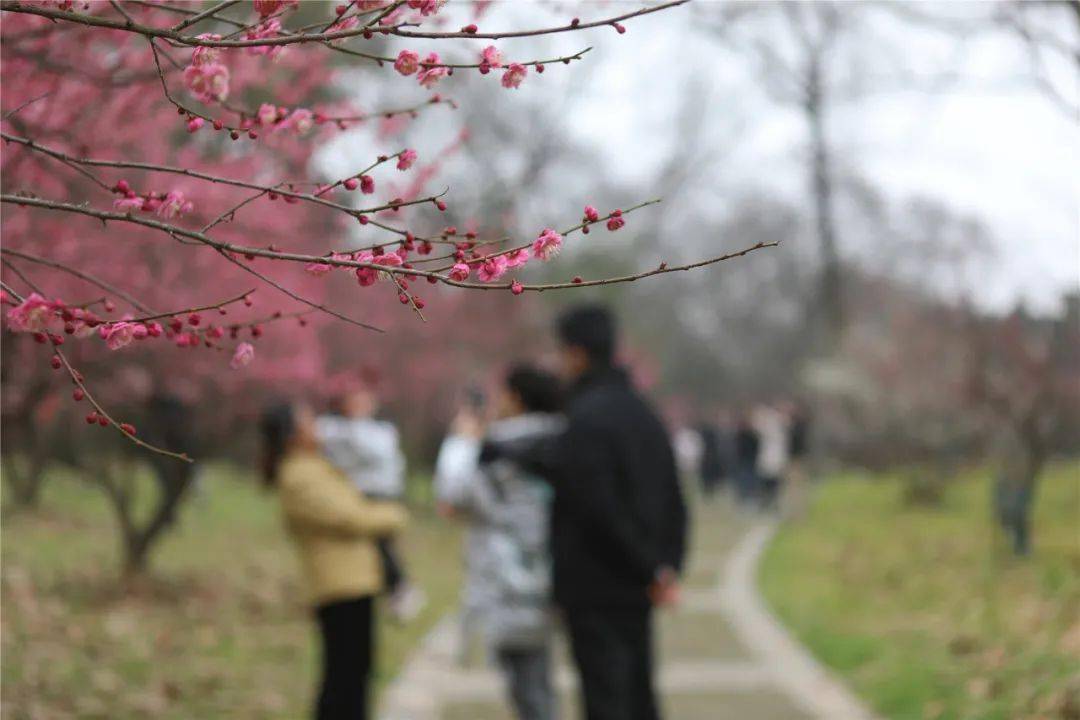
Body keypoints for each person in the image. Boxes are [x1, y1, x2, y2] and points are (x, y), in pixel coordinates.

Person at [493, 305, 687, 720]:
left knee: (606, 698)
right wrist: (665, 565)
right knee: (638, 693)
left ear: (577, 354)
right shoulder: (642, 411)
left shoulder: (585, 417)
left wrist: (648, 566)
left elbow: (596, 506)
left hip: (597, 583)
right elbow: (673, 495)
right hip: (637, 584)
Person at [260, 402, 407, 720]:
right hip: (339, 585)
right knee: (345, 677)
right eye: (308, 421)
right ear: (293, 435)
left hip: (352, 582)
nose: (318, 426)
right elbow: (351, 517)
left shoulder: (313, 466)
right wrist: (394, 515)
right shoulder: (299, 474)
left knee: (353, 674)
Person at [440, 365, 565, 720]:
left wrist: (462, 440)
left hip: (508, 570)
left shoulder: (500, 445)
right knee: (540, 671)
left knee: (523, 676)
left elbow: (456, 493)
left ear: (517, 398)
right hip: (553, 566)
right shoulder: (563, 438)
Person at [315, 379, 423, 621]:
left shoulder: (381, 431)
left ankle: (399, 590)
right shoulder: (334, 427)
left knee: (381, 544)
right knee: (372, 547)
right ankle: (395, 591)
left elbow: (375, 452)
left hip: (379, 494)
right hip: (354, 494)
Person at [754, 402, 790, 512]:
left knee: (775, 484)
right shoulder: (766, 425)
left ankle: (774, 504)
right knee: (766, 483)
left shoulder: (780, 424)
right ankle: (766, 503)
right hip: (767, 458)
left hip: (776, 459)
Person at [733, 409, 761, 507]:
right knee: (744, 483)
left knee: (750, 483)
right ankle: (745, 502)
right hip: (743, 463)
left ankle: (751, 502)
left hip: (749, 462)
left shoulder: (751, 435)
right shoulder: (739, 435)